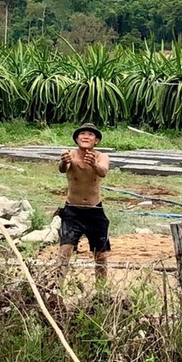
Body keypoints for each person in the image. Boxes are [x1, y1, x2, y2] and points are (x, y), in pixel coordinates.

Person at [54, 122, 112, 293]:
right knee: (65, 250)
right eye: (82, 134)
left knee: (100, 254)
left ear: (97, 141)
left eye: (90, 134)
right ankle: (56, 289)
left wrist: (94, 164)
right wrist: (63, 162)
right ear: (76, 138)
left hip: (95, 211)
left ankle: (101, 291)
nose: (86, 136)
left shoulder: (101, 157)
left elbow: (103, 171)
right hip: (72, 211)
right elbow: (62, 169)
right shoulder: (70, 156)